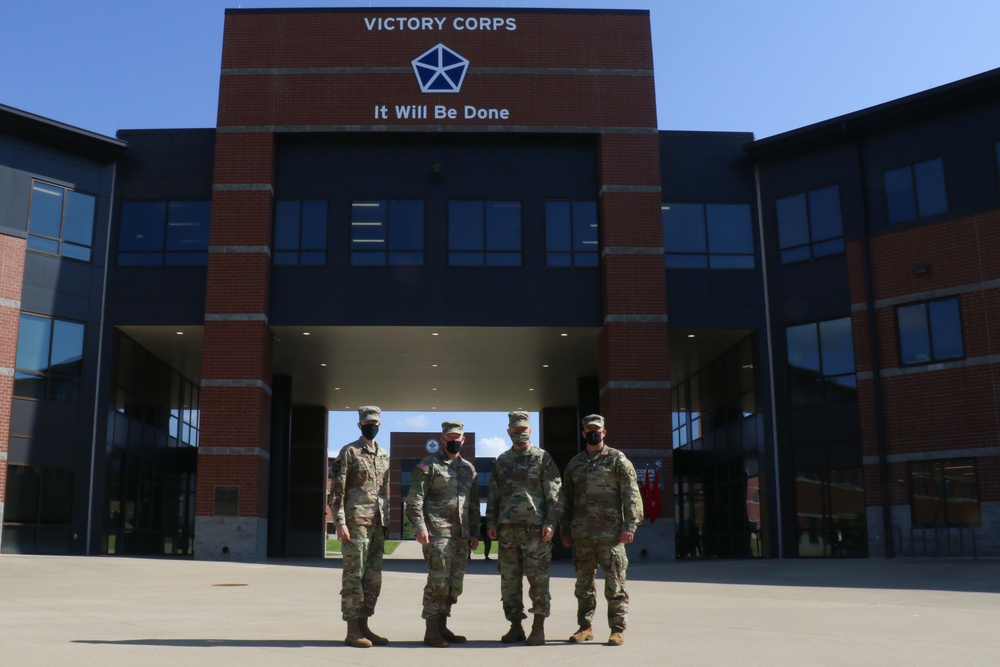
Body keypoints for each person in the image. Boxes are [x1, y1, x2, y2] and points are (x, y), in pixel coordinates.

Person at [559, 414, 643, 646]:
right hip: (582, 535)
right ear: (583, 433)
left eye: (597, 429)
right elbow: (566, 499)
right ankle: (585, 627)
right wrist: (564, 529)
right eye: (589, 430)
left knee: (615, 583)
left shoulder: (617, 459)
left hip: (612, 535)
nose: (593, 433)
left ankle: (617, 629)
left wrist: (630, 525)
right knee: (583, 585)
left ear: (604, 433)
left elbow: (631, 494)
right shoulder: (575, 463)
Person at [486, 411, 563, 646]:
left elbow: (554, 494)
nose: (519, 434)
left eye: (523, 430)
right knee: (509, 581)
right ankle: (515, 626)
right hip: (507, 530)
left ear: (530, 430)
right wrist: (490, 522)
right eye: (515, 430)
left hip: (535, 531)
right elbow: (494, 494)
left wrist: (551, 522)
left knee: (538, 580)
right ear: (509, 431)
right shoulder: (502, 460)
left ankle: (538, 627)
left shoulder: (542, 458)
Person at [406, 420, 480, 648]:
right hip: (437, 533)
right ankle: (431, 632)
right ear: (442, 440)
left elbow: (473, 504)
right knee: (438, 582)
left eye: (458, 439)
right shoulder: (429, 465)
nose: (454, 442)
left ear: (463, 440)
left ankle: (442, 627)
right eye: (450, 439)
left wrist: (475, 532)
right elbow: (414, 499)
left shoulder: (468, 469)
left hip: (461, 535)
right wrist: (420, 526)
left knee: (454, 585)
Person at [328, 406, 391, 648]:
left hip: (377, 524)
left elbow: (385, 493)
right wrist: (340, 522)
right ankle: (352, 630)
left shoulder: (384, 455)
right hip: (355, 524)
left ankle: (365, 625)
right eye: (367, 422)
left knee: (372, 578)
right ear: (359, 425)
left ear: (380, 425)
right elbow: (337, 491)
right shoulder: (349, 452)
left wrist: (386, 522)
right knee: (354, 576)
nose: (371, 426)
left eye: (375, 422)